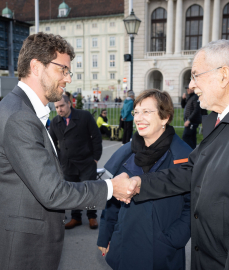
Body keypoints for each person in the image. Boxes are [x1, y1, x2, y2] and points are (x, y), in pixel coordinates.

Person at [120, 39, 229, 270]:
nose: (191, 85)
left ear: (223, 75)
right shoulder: (221, 120)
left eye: (195, 75)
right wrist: (139, 182)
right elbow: (191, 172)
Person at [0, 32, 131, 270]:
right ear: (36, 67)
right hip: (23, 250)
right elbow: (52, 192)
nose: (68, 79)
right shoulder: (20, 116)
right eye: (63, 69)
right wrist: (113, 187)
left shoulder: (20, 109)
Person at [97, 89, 191, 270]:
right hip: (124, 244)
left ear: (165, 118)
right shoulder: (125, 154)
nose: (139, 118)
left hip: (161, 252)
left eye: (146, 112)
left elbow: (193, 206)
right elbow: (113, 201)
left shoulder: (184, 157)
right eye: (136, 112)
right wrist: (106, 234)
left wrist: (171, 239)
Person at [49, 95, 102, 230]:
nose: (59, 110)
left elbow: (96, 136)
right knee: (73, 191)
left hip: (86, 161)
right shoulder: (55, 122)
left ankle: (92, 216)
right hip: (68, 164)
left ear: (69, 104)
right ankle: (76, 217)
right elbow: (52, 144)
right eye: (56, 107)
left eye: (61, 106)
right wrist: (60, 159)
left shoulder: (84, 116)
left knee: (90, 190)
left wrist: (96, 157)